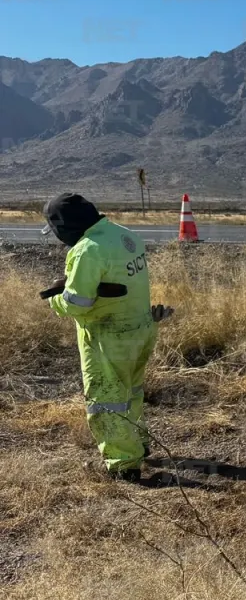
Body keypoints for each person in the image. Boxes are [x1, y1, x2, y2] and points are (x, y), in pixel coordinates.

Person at [43, 193, 161, 482]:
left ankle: (124, 464)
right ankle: (139, 444)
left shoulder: (86, 250)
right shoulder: (123, 235)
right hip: (141, 329)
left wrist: (55, 300)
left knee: (107, 400)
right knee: (130, 392)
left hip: (108, 338)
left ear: (64, 227)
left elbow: (76, 303)